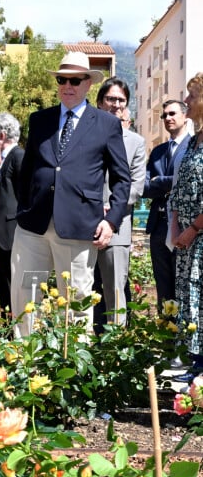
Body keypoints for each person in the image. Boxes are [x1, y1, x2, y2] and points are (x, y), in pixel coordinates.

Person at [11, 52, 131, 336]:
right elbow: (26, 171)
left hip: (79, 229)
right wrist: (24, 208)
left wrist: (111, 220)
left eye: (75, 80)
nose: (68, 85)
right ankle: (26, 365)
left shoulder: (106, 124)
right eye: (62, 79)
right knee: (25, 296)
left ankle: (72, 370)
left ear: (88, 83)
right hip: (33, 228)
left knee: (76, 301)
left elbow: (122, 179)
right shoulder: (40, 120)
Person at [93, 77, 146, 328]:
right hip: (81, 223)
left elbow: (136, 186)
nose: (115, 104)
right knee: (79, 288)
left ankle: (116, 349)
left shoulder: (136, 142)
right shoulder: (85, 135)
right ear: (99, 102)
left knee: (115, 291)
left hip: (116, 224)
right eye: (110, 99)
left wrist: (111, 207)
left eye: (121, 100)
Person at [169, 73, 203, 380]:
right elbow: (180, 189)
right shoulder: (193, 141)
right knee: (190, 298)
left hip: (199, 236)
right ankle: (196, 363)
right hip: (186, 237)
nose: (186, 102)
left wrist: (192, 229)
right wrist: (176, 227)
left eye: (191, 97)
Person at [143, 100, 191, 309]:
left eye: (172, 113)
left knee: (184, 283)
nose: (167, 118)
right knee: (162, 284)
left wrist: (160, 182)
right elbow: (144, 187)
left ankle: (184, 335)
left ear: (185, 116)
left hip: (184, 225)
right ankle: (165, 335)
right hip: (158, 226)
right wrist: (171, 182)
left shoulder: (194, 147)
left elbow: (187, 181)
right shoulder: (157, 151)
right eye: (164, 115)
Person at [0, 112, 24, 319]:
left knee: (14, 285)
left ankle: (15, 331)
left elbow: (25, 196)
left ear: (0, 135)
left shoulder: (18, 156)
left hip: (12, 233)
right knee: (4, 283)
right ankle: (6, 330)